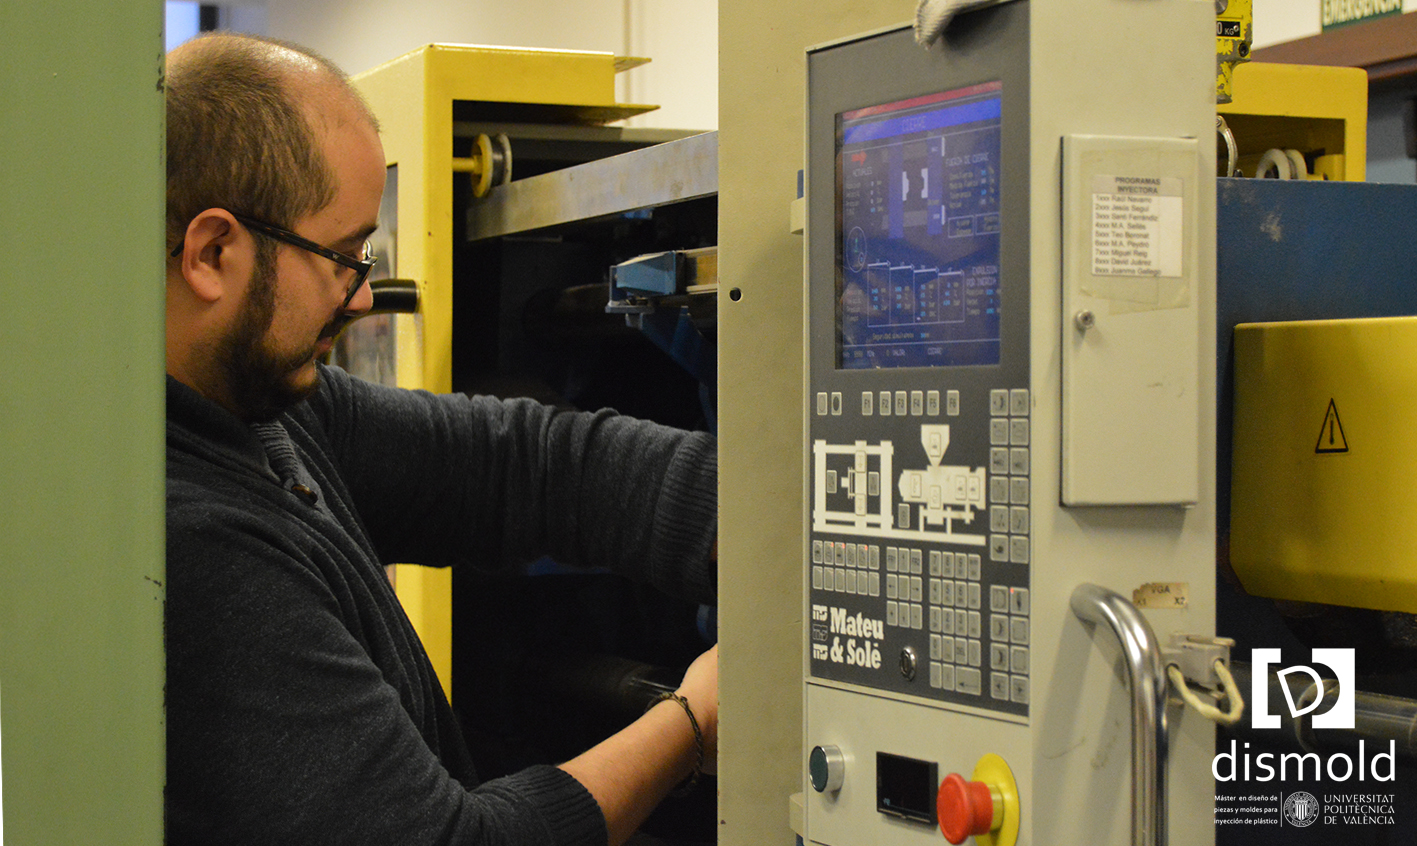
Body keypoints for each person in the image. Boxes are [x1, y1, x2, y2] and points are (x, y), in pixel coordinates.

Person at [163, 32, 719, 846]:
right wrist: (693, 722)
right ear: (213, 253)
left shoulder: (259, 408)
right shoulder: (193, 545)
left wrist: (769, 524)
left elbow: (519, 466)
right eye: (342, 256)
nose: (362, 297)